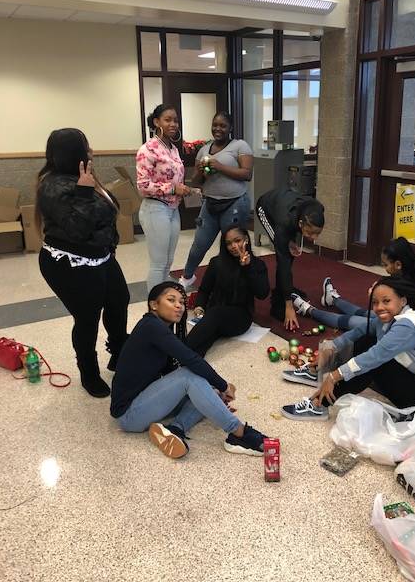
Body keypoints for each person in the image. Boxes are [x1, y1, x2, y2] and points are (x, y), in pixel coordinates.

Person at [110, 281, 267, 459]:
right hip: (129, 414)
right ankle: (238, 433)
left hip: (145, 400)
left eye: (182, 302)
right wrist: (224, 386)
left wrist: (214, 390)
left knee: (208, 389)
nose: (179, 306)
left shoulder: (160, 329)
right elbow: (191, 360)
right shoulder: (151, 326)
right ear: (154, 305)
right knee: (192, 377)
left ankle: (175, 429)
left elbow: (174, 370)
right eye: (171, 300)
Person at [281, 276, 415, 424]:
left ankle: (320, 405)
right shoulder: (393, 316)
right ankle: (318, 371)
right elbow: (358, 332)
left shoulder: (407, 324)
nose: (379, 307)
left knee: (376, 361)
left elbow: (375, 356)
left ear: (403, 300)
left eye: (386, 301)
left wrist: (334, 376)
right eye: (375, 302)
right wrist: (328, 352)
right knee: (365, 337)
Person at [36, 128, 129, 398]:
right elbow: (77, 229)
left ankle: (119, 353)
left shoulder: (83, 175)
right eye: (87, 147)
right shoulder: (52, 184)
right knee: (88, 318)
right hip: (68, 263)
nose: (92, 151)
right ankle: (89, 373)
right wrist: (86, 192)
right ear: (72, 153)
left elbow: (109, 212)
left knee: (118, 300)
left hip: (101, 255)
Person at [179, 112, 253, 290]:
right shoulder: (204, 150)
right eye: (215, 125)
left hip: (235, 203)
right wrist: (200, 172)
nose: (218, 129)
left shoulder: (239, 145)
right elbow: (196, 182)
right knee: (199, 244)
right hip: (210, 204)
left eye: (223, 126)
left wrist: (219, 166)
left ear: (230, 128)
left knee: (234, 246)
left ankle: (237, 281)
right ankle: (187, 278)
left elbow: (247, 174)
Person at [291, 236, 415, 330]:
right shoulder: (411, 278)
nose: (384, 268)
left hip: (397, 327)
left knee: (349, 321)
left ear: (398, 264)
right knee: (363, 313)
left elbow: (390, 311)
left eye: (385, 264)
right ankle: (332, 299)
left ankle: (309, 310)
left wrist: (375, 296)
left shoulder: (406, 285)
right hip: (394, 318)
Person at [185, 226, 270, 357]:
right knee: (205, 339)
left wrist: (248, 268)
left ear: (246, 239)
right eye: (229, 243)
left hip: (240, 317)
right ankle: (187, 360)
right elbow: (204, 289)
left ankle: (179, 351)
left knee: (215, 315)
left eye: (238, 240)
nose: (234, 246)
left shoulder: (257, 264)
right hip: (214, 315)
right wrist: (199, 306)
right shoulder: (217, 262)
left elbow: (262, 294)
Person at [137, 104, 191, 291]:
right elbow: (143, 186)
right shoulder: (147, 149)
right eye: (168, 120)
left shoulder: (173, 149)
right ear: (156, 122)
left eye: (175, 120)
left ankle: (162, 301)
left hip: (172, 209)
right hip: (155, 209)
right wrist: (173, 188)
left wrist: (183, 189)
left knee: (168, 261)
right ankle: (154, 306)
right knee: (158, 263)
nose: (173, 124)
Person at [255, 188, 325, 330]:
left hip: (287, 209)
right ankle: (277, 304)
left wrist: (290, 242)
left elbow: (297, 228)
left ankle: (286, 288)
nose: (314, 238)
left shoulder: (318, 209)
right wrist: (289, 306)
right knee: (284, 258)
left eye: (317, 233)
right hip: (266, 208)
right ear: (300, 224)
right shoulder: (285, 222)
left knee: (289, 254)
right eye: (311, 233)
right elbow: (283, 264)